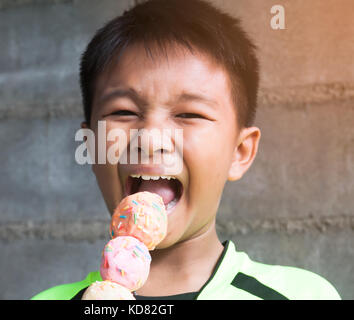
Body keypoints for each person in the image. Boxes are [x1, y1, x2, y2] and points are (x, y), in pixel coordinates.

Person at [32, 0, 340, 300]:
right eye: (123, 112)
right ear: (91, 147)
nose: (151, 139)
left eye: (189, 114)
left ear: (240, 152)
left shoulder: (303, 295)